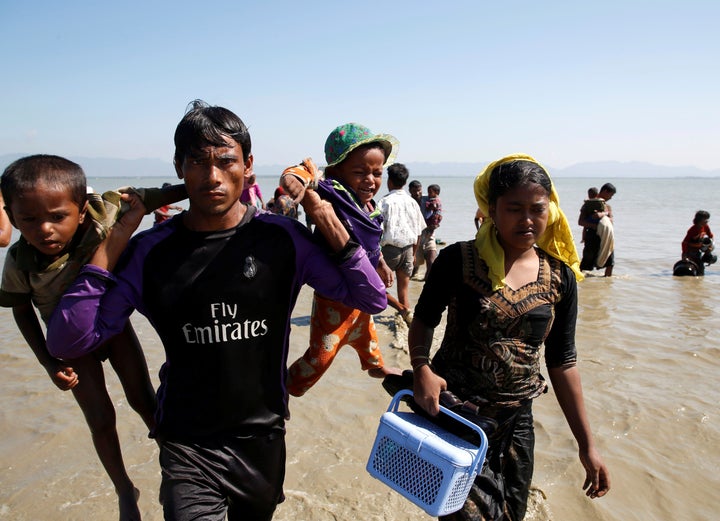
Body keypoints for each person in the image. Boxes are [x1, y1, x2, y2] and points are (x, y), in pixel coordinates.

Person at [46, 100, 387, 520]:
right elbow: (68, 339)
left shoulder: (282, 239)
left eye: (226, 161)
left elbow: (369, 298)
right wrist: (118, 234)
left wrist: (323, 214)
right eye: (197, 162)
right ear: (178, 167)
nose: (212, 177)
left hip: (262, 436)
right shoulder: (149, 252)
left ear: (247, 166)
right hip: (186, 442)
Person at [408, 154, 611, 521]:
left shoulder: (560, 277)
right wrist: (421, 367)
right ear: (491, 209)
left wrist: (587, 446)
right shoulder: (458, 258)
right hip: (456, 413)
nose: (528, 219)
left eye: (537, 209)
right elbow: (423, 319)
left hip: (516, 423)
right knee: (463, 515)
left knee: (510, 514)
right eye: (515, 208)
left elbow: (562, 360)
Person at [0, 154, 186, 520]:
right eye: (29, 220)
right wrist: (49, 363)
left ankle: (176, 469)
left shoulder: (102, 215)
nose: (45, 230)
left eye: (57, 216)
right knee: (100, 419)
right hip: (71, 346)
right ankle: (124, 490)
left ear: (82, 210)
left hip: (112, 326)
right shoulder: (20, 261)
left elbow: (148, 197)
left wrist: (193, 188)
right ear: (11, 215)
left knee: (144, 400)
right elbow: (22, 312)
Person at [284, 123, 401, 397]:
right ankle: (284, 388)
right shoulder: (333, 192)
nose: (370, 180)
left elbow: (371, 244)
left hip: (361, 298)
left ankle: (377, 368)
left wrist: (381, 263)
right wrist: (296, 179)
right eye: (359, 172)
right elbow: (302, 171)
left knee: (368, 340)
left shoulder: (368, 205)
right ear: (336, 171)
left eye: (377, 172)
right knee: (320, 357)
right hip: (335, 301)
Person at [377, 163, 425, 326]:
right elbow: (419, 232)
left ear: (389, 181)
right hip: (408, 249)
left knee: (373, 287)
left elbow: (377, 231)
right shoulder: (412, 203)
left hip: (390, 251)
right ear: (405, 182)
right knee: (403, 291)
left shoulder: (384, 202)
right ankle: (408, 322)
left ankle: (401, 309)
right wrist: (414, 253)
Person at [579, 182, 616, 277]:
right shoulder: (587, 205)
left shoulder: (607, 207)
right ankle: (581, 284)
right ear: (605, 191)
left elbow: (611, 221)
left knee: (610, 261)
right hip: (592, 236)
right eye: (610, 195)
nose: (611, 198)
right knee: (586, 263)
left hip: (606, 236)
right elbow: (581, 222)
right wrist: (594, 226)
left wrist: (603, 215)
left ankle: (607, 283)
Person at [680, 210, 716, 275]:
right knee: (698, 267)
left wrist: (711, 246)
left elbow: (711, 236)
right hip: (691, 251)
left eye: (708, 219)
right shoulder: (692, 230)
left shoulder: (706, 226)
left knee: (705, 263)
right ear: (700, 220)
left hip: (699, 249)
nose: (707, 221)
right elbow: (684, 242)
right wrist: (684, 254)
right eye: (705, 219)